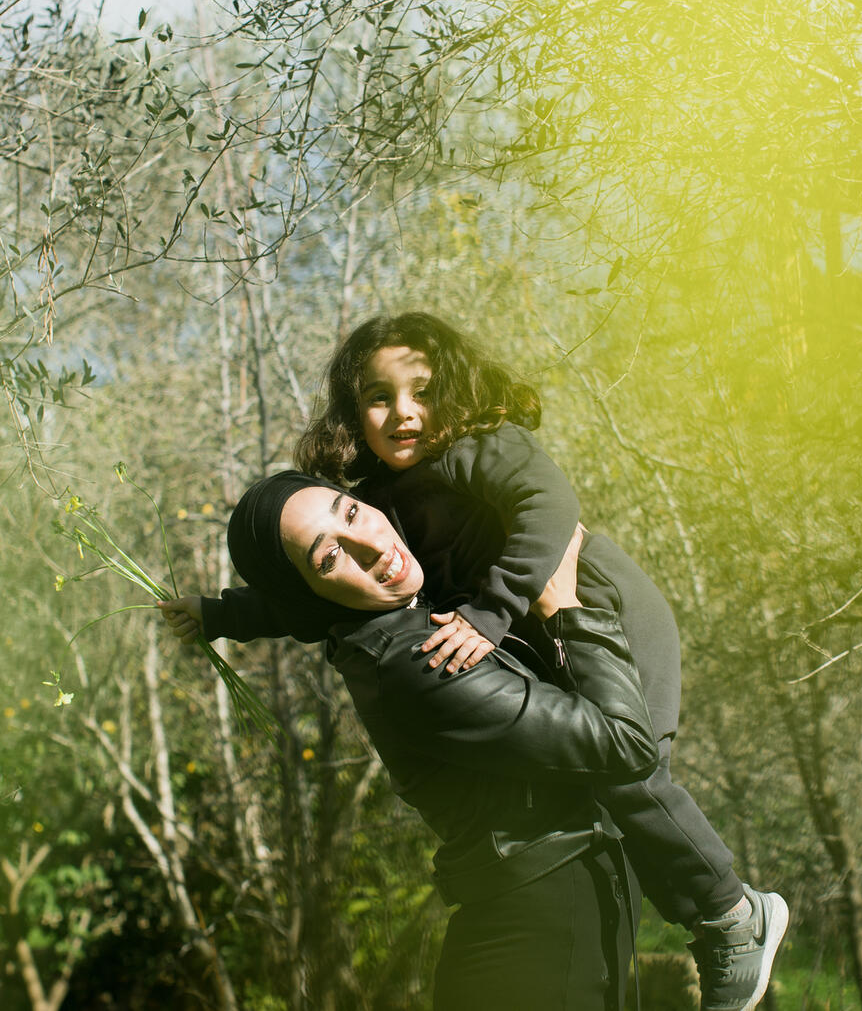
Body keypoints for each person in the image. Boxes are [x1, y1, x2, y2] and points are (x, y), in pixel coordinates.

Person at [169, 311, 788, 1011]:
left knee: (633, 776)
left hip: (605, 611)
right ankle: (709, 916)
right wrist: (222, 612)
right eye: (379, 397)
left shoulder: (478, 448)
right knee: (610, 776)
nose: (405, 412)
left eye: (424, 390)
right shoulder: (373, 503)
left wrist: (490, 614)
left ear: (456, 390)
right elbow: (307, 600)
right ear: (351, 414)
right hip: (545, 635)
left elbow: (552, 505)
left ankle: (731, 915)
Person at [163, 472, 661, 1011]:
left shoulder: (382, 615)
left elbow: (288, 608)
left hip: (545, 919)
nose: (375, 545)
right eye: (329, 559)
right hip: (541, 939)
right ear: (311, 591)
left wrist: (219, 613)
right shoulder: (419, 664)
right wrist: (567, 608)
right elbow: (625, 744)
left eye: (350, 512)